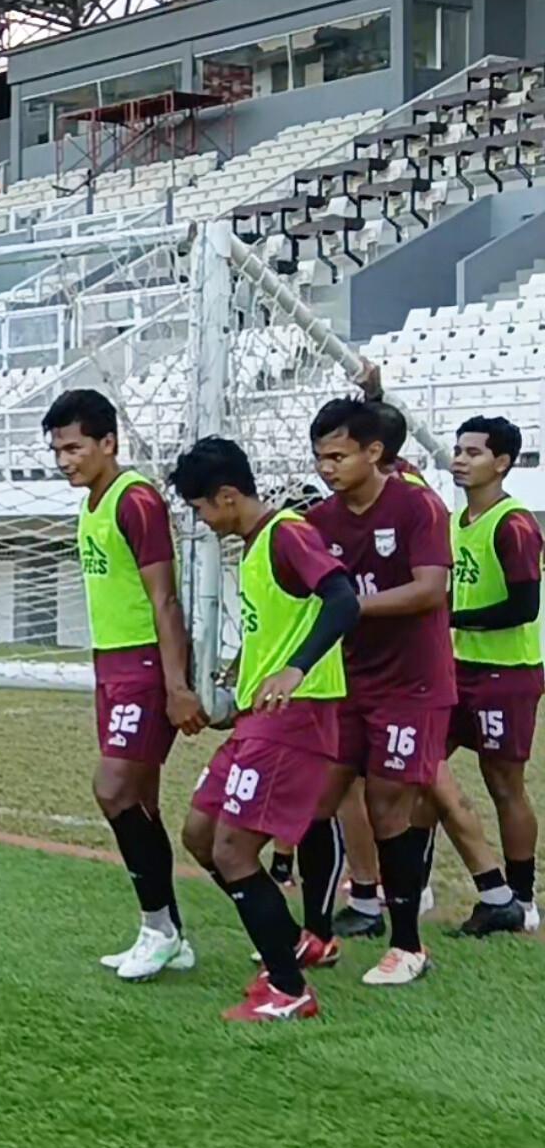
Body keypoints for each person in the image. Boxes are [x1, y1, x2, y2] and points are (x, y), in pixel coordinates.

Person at [172, 436, 357, 1023]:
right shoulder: (253, 548)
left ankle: (288, 985)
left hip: (295, 721)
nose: (201, 521)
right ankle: (286, 939)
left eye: (202, 508)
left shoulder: (287, 534)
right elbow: (279, 624)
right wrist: (244, 671)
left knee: (233, 848)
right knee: (201, 835)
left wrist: (296, 668)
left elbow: (343, 599)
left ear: (228, 496)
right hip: (259, 720)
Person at [42, 390, 204, 982]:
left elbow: (164, 598)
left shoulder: (136, 500)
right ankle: (170, 935)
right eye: (56, 449)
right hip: (111, 665)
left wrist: (176, 684)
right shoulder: (91, 503)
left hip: (142, 667)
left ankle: (157, 926)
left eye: (74, 447)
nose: (64, 459)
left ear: (108, 442)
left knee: (112, 790)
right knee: (139, 802)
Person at [300, 398, 454, 985]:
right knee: (316, 800)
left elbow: (429, 591)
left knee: (389, 803)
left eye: (337, 455)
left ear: (374, 453)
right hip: (347, 683)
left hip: (412, 684)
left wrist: (349, 607)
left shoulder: (418, 506)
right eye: (319, 457)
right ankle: (315, 936)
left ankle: (408, 944)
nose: (327, 467)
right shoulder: (318, 522)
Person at [447, 415, 539, 934]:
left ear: (501, 463)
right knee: (417, 775)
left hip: (507, 673)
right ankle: (407, 890)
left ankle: (522, 899)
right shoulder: (453, 522)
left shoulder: (514, 524)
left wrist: (450, 618)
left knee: (503, 784)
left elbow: (524, 606)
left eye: (474, 452)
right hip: (458, 668)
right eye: (458, 450)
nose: (460, 459)